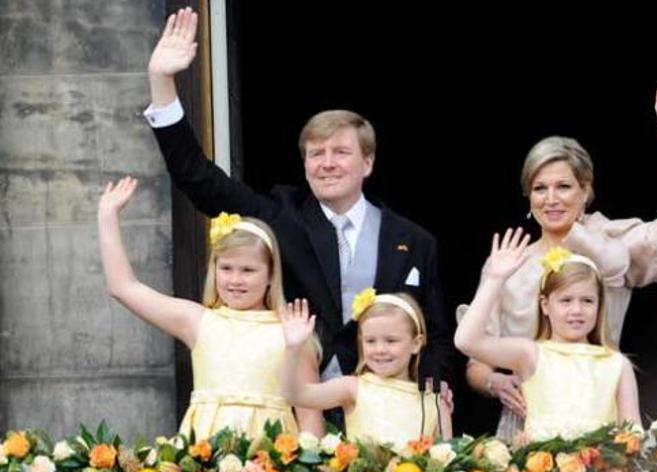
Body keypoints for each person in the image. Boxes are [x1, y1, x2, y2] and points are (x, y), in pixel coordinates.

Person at [143, 8, 453, 392]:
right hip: (296, 407)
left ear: (367, 162)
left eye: (340, 152)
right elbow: (198, 179)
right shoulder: (280, 217)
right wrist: (162, 84)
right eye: (315, 154)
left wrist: (433, 393)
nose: (326, 164)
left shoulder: (414, 241)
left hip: (385, 412)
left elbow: (436, 337)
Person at [461, 70, 657, 440]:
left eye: (563, 186)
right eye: (540, 188)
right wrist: (496, 383)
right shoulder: (509, 261)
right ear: (528, 197)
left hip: (601, 422)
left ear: (584, 191)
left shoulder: (611, 243)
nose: (551, 198)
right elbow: (475, 359)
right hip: (526, 428)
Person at [97, 177, 323, 439]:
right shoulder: (198, 320)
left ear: (272, 274)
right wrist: (107, 216)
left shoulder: (291, 332)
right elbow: (124, 287)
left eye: (248, 270)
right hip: (203, 466)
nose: (235, 280)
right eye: (226, 268)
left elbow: (310, 423)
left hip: (271, 467)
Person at [456, 229, 639, 441]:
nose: (577, 310)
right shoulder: (530, 353)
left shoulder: (617, 364)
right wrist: (495, 279)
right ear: (545, 305)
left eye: (587, 301)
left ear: (599, 305)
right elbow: (466, 341)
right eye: (566, 301)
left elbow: (633, 435)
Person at [280, 291, 453, 449]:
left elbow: (446, 460)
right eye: (371, 341)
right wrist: (293, 349)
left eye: (391, 341)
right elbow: (294, 395)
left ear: (416, 343)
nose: (380, 349)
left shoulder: (434, 401)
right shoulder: (352, 388)